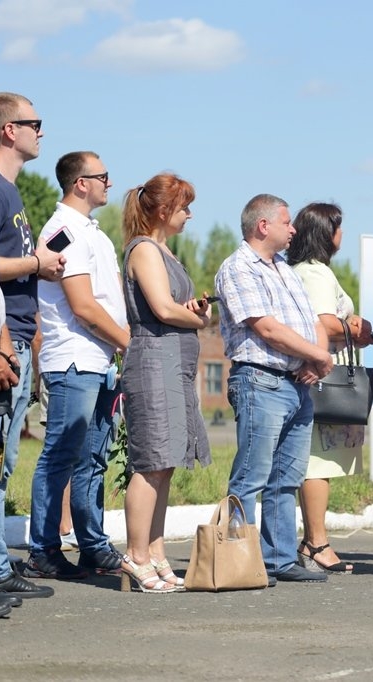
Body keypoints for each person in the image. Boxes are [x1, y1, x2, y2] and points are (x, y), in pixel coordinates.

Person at [215, 193, 334, 585]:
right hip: (260, 380)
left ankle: (279, 559)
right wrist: (317, 355)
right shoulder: (238, 268)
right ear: (263, 225)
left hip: (296, 383)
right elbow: (266, 328)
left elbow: (312, 320)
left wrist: (315, 360)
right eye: (286, 221)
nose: (293, 229)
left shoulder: (284, 268)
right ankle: (237, 563)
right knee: (251, 478)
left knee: (286, 479)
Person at [25, 152, 127, 582]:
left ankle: (92, 545)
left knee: (93, 459)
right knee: (61, 456)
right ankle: (43, 550)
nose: (109, 182)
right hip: (74, 359)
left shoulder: (93, 231)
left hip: (100, 359)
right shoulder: (62, 230)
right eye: (102, 176)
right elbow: (83, 306)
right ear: (80, 183)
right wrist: (128, 343)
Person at [119, 174, 212, 593]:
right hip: (154, 363)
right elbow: (161, 308)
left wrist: (192, 310)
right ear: (162, 211)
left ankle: (155, 553)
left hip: (172, 364)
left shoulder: (164, 251)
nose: (189, 214)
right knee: (151, 462)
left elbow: (173, 306)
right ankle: (135, 555)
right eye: (183, 206)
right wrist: (197, 318)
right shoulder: (144, 249)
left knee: (166, 463)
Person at [0, 93, 64, 602]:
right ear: (8, 130)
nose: (41, 132)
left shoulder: (10, 192)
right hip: (2, 342)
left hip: (14, 337)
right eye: (34, 123)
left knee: (3, 463)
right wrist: (37, 264)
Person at [286, 201, 372, 575]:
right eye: (338, 227)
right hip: (321, 376)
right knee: (317, 462)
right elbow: (324, 322)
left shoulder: (300, 270)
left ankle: (313, 539)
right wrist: (357, 327)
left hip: (309, 372)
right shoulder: (315, 272)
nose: (342, 234)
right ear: (326, 233)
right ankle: (317, 541)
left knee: (313, 460)